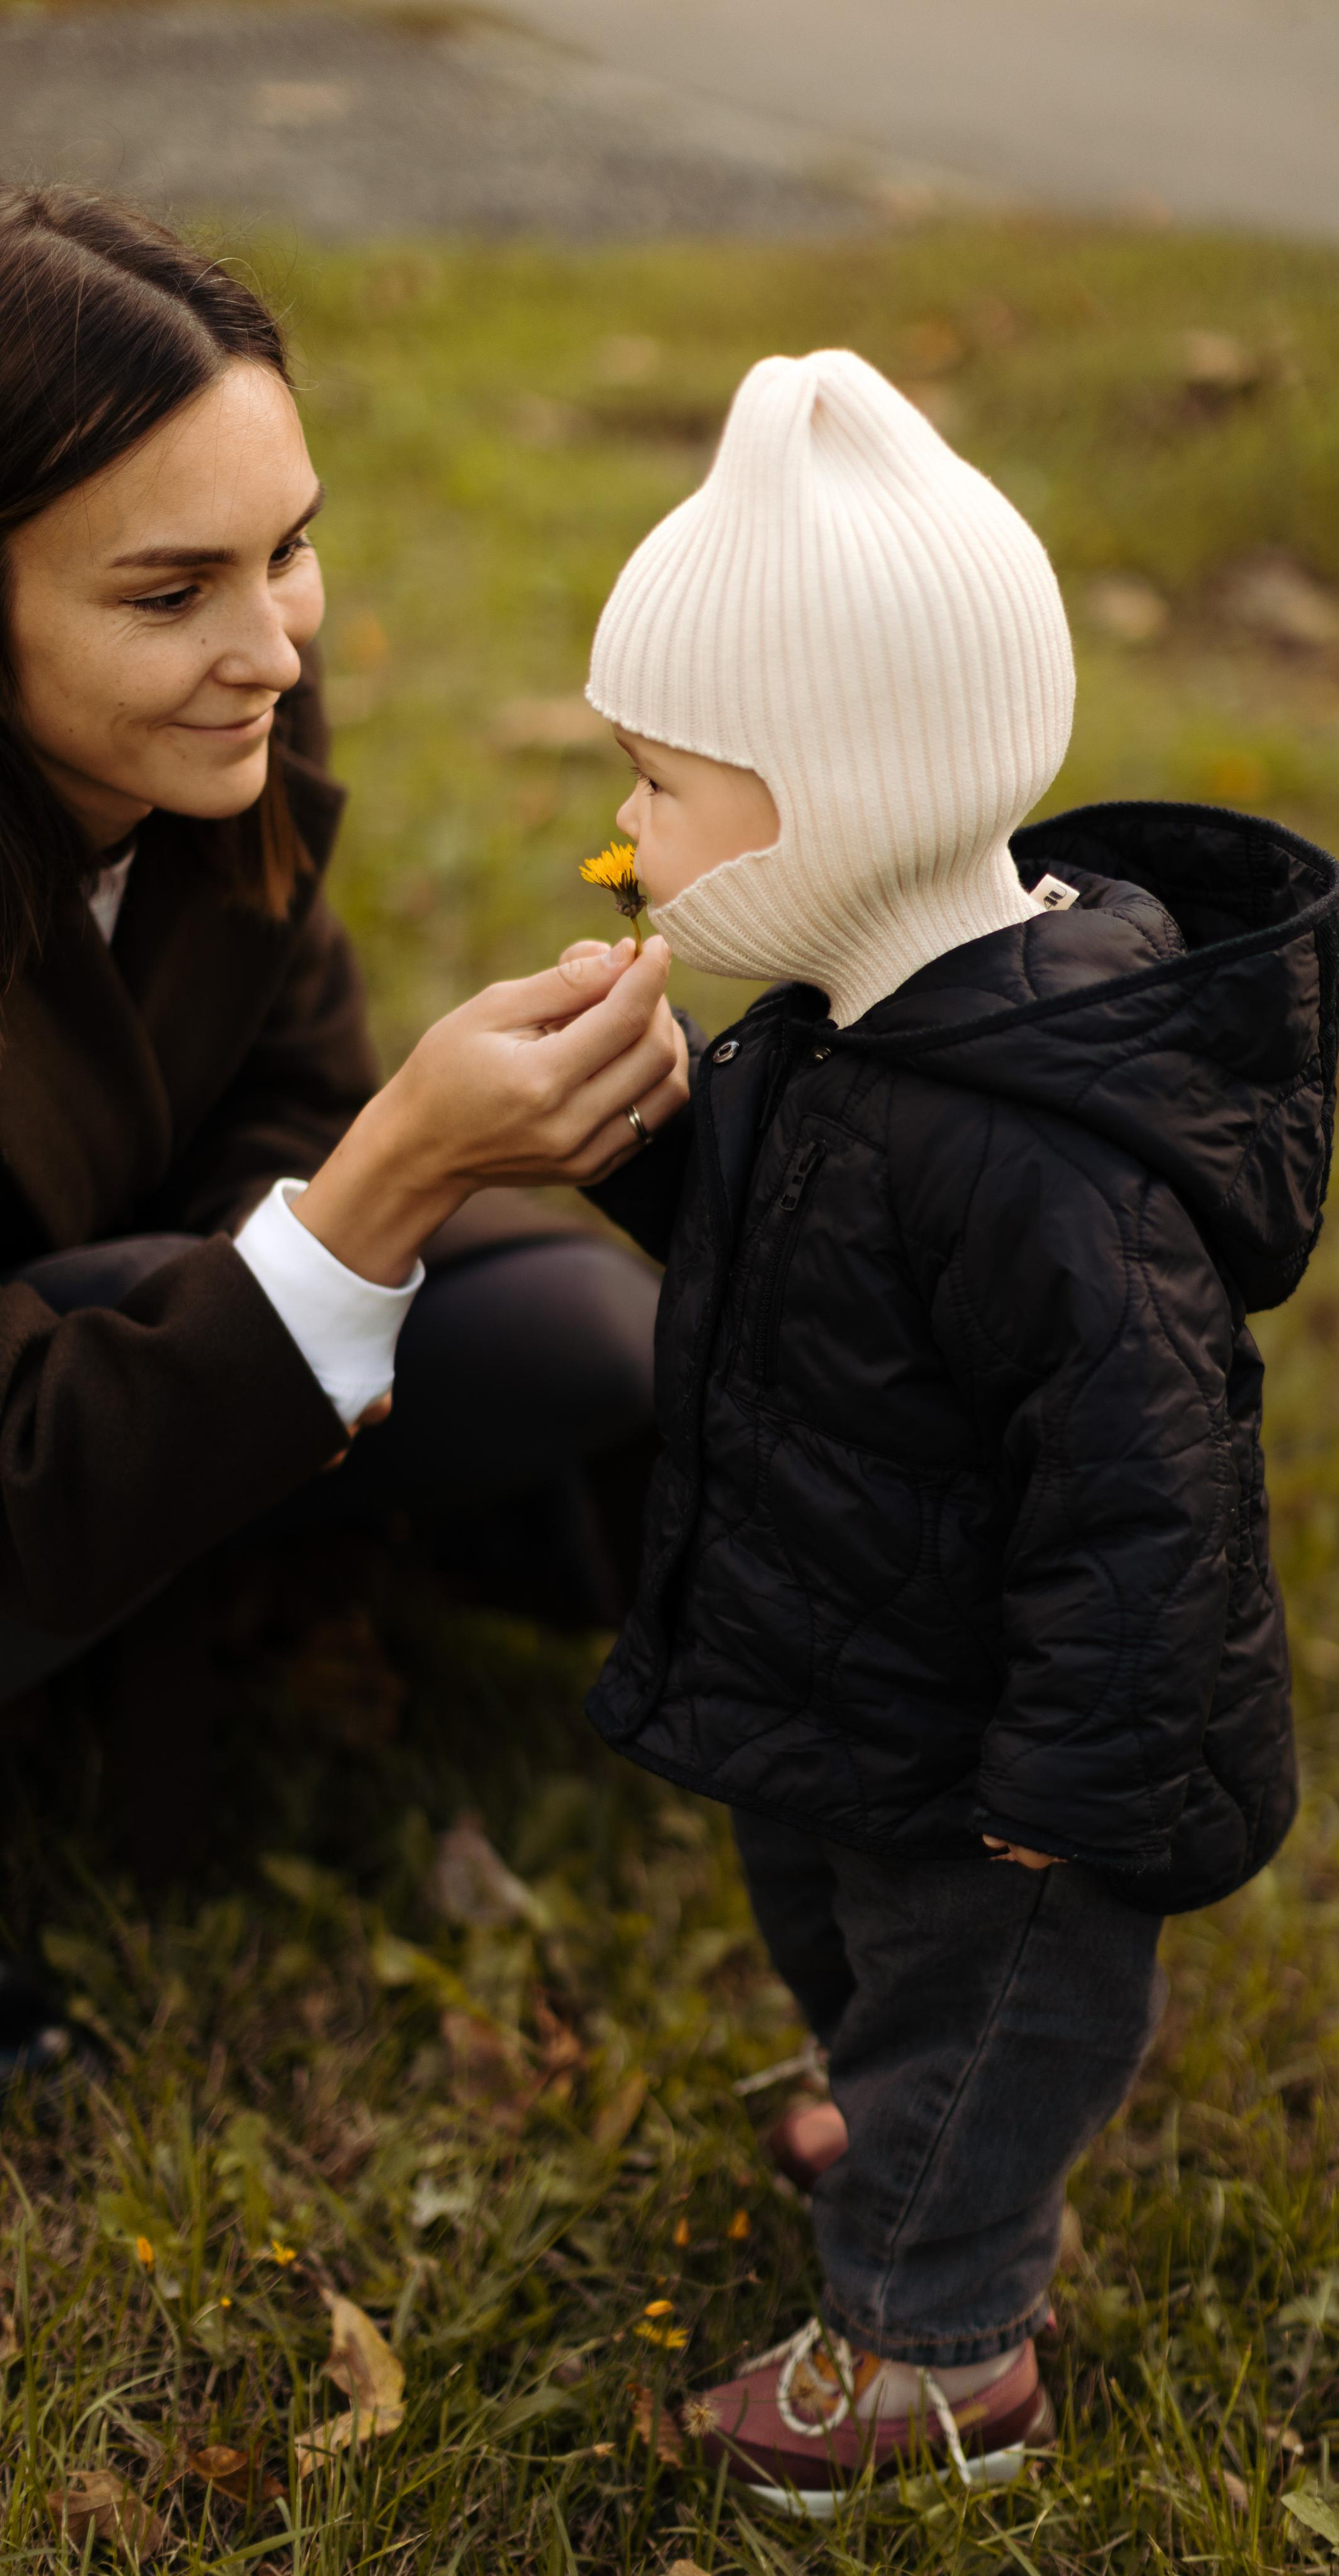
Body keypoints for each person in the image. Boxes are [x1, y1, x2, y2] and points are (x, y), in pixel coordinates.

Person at [575, 349, 1339, 2513]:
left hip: (1003, 1756)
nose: (620, 836)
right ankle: (908, 2106)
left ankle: (940, 2351)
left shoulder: (1047, 1155)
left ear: (841, 790)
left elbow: (1148, 1501)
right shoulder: (850, 1038)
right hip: (846, 1672)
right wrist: (645, 1142)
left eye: (660, 785)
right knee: (848, 1949)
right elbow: (798, 1272)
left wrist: (1069, 1799)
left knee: (989, 1996)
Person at [0, 184, 688, 2074]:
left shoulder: (223, 750)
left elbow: (287, 1087)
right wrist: (373, 1200)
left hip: (122, 1349)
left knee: (578, 1335)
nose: (275, 648)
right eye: (170, 591)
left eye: (287, 551)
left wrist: (301, 1256)